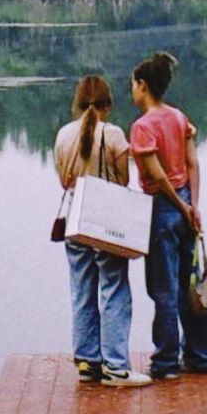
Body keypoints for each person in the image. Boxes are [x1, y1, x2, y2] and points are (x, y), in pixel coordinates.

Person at [54, 73, 151, 388]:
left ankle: (87, 362)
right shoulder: (114, 135)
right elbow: (122, 181)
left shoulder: (63, 136)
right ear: (108, 104)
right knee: (113, 291)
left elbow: (64, 182)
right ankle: (116, 366)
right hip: (107, 226)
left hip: (75, 222)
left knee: (82, 292)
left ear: (77, 103)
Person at [129, 51, 207, 381]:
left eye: (133, 86)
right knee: (190, 283)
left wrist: (182, 208)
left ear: (143, 85)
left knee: (163, 289)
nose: (132, 92)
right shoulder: (179, 118)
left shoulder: (142, 127)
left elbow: (158, 178)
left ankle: (166, 362)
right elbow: (192, 164)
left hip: (162, 208)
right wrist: (193, 206)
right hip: (184, 203)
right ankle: (201, 355)